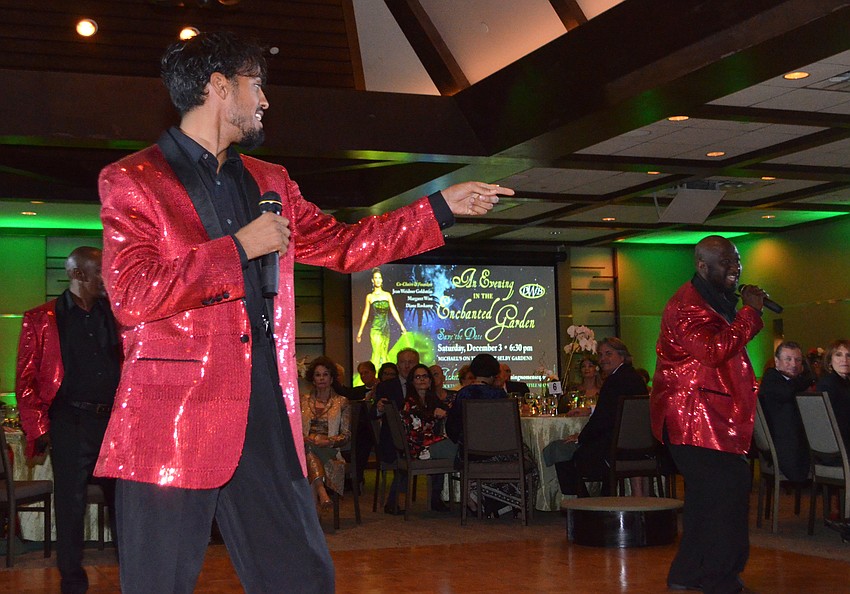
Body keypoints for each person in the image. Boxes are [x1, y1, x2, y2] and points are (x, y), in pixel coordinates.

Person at [94, 31, 512, 594]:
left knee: (302, 577)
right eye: (256, 85)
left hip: (265, 404)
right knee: (156, 584)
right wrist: (239, 248)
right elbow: (131, 294)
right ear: (220, 86)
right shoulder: (134, 180)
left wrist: (437, 209)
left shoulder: (270, 181)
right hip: (172, 417)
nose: (265, 100)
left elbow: (344, 244)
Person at [651, 235, 766, 594]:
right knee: (726, 495)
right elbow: (713, 350)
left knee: (707, 501)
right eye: (727, 262)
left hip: (710, 417)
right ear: (702, 266)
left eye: (737, 260)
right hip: (693, 419)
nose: (736, 268)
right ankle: (720, 578)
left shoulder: (714, 299)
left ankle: (687, 573)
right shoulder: (687, 306)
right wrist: (750, 314)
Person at [16, 246, 120, 594]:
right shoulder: (41, 319)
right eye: (101, 270)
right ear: (78, 274)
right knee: (70, 506)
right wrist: (40, 428)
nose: (108, 277)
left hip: (115, 424)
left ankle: (134, 575)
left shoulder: (118, 315)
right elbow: (26, 379)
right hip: (70, 422)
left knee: (125, 504)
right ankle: (73, 583)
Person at [552, 338, 647, 497]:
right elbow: (615, 410)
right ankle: (603, 498)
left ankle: (583, 503)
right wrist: (590, 410)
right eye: (601, 355)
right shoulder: (635, 378)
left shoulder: (613, 381)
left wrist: (580, 437)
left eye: (608, 354)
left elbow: (601, 420)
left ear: (622, 356)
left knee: (561, 451)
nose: (603, 359)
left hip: (614, 449)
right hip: (640, 446)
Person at [399, 363, 456, 512]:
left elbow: (447, 413)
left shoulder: (431, 400)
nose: (422, 379)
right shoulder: (409, 403)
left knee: (458, 446)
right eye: (417, 377)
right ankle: (469, 498)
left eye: (425, 376)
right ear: (412, 381)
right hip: (418, 448)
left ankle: (439, 497)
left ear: (430, 381)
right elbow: (416, 434)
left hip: (430, 444)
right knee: (461, 450)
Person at [373, 347, 420, 513]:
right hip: (393, 440)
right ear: (397, 365)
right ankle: (392, 502)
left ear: (417, 364)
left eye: (411, 362)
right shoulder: (386, 386)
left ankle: (436, 498)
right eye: (403, 362)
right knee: (406, 454)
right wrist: (379, 408)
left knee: (439, 448)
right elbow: (372, 413)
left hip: (419, 437)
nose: (407, 366)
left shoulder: (423, 384)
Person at [300, 356, 351, 512]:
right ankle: (321, 493)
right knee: (309, 450)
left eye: (325, 374)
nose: (321, 378)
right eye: (318, 375)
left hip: (330, 451)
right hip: (306, 449)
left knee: (309, 451)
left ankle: (316, 507)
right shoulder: (303, 401)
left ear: (332, 378)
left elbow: (346, 435)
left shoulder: (341, 402)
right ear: (313, 379)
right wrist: (305, 438)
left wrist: (328, 441)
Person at [757, 341, 811, 482]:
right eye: (788, 359)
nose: (794, 364)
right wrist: (807, 379)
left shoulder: (793, 382)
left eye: (798, 360)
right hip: (782, 449)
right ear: (777, 361)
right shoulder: (771, 378)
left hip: (792, 444)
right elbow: (787, 392)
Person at [356, 267, 407, 368]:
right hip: (375, 328)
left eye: (379, 278)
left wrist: (401, 325)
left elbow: (393, 311)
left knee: (384, 354)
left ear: (382, 280)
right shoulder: (370, 297)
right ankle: (374, 376)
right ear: (372, 280)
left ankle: (385, 376)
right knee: (376, 353)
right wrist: (360, 332)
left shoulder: (387, 295)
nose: (378, 280)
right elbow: (365, 314)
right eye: (376, 278)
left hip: (386, 328)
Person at [816, 339, 850, 451]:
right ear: (830, 361)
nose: (844, 360)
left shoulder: (844, 381)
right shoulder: (828, 383)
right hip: (838, 445)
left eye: (848, 355)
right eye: (838, 355)